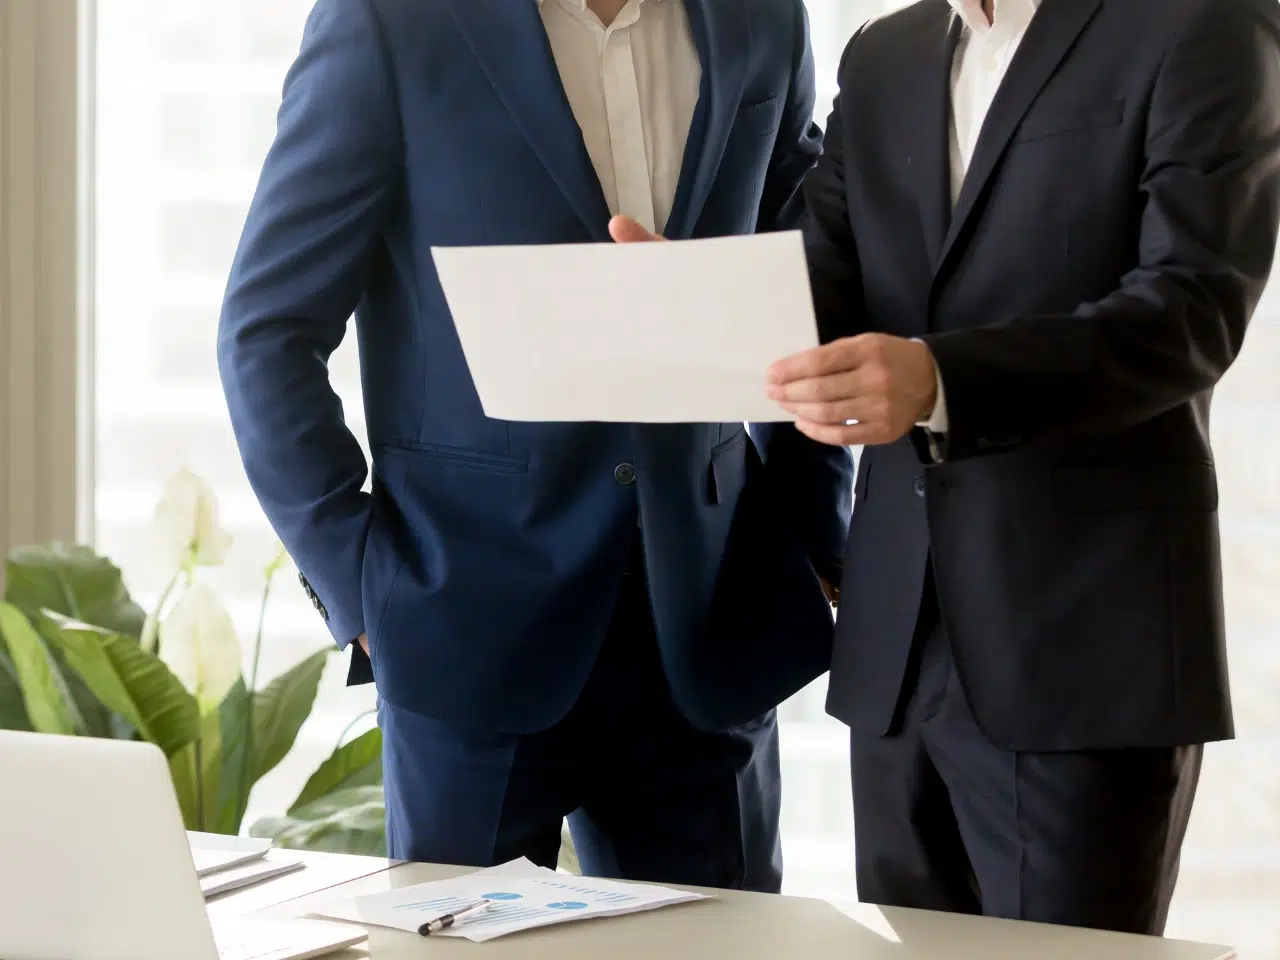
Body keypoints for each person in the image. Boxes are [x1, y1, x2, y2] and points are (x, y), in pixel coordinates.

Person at [217, 0, 853, 892]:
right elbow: (266, 331)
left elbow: (802, 295)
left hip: (709, 625)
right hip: (467, 620)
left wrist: (817, 532)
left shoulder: (763, 19)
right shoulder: (391, 22)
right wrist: (361, 582)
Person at [761, 0, 1280, 935]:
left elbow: (1191, 308)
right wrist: (683, 304)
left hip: (1081, 643)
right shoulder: (885, 54)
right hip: (895, 650)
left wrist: (942, 380)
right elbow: (820, 281)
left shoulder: (1202, 25)